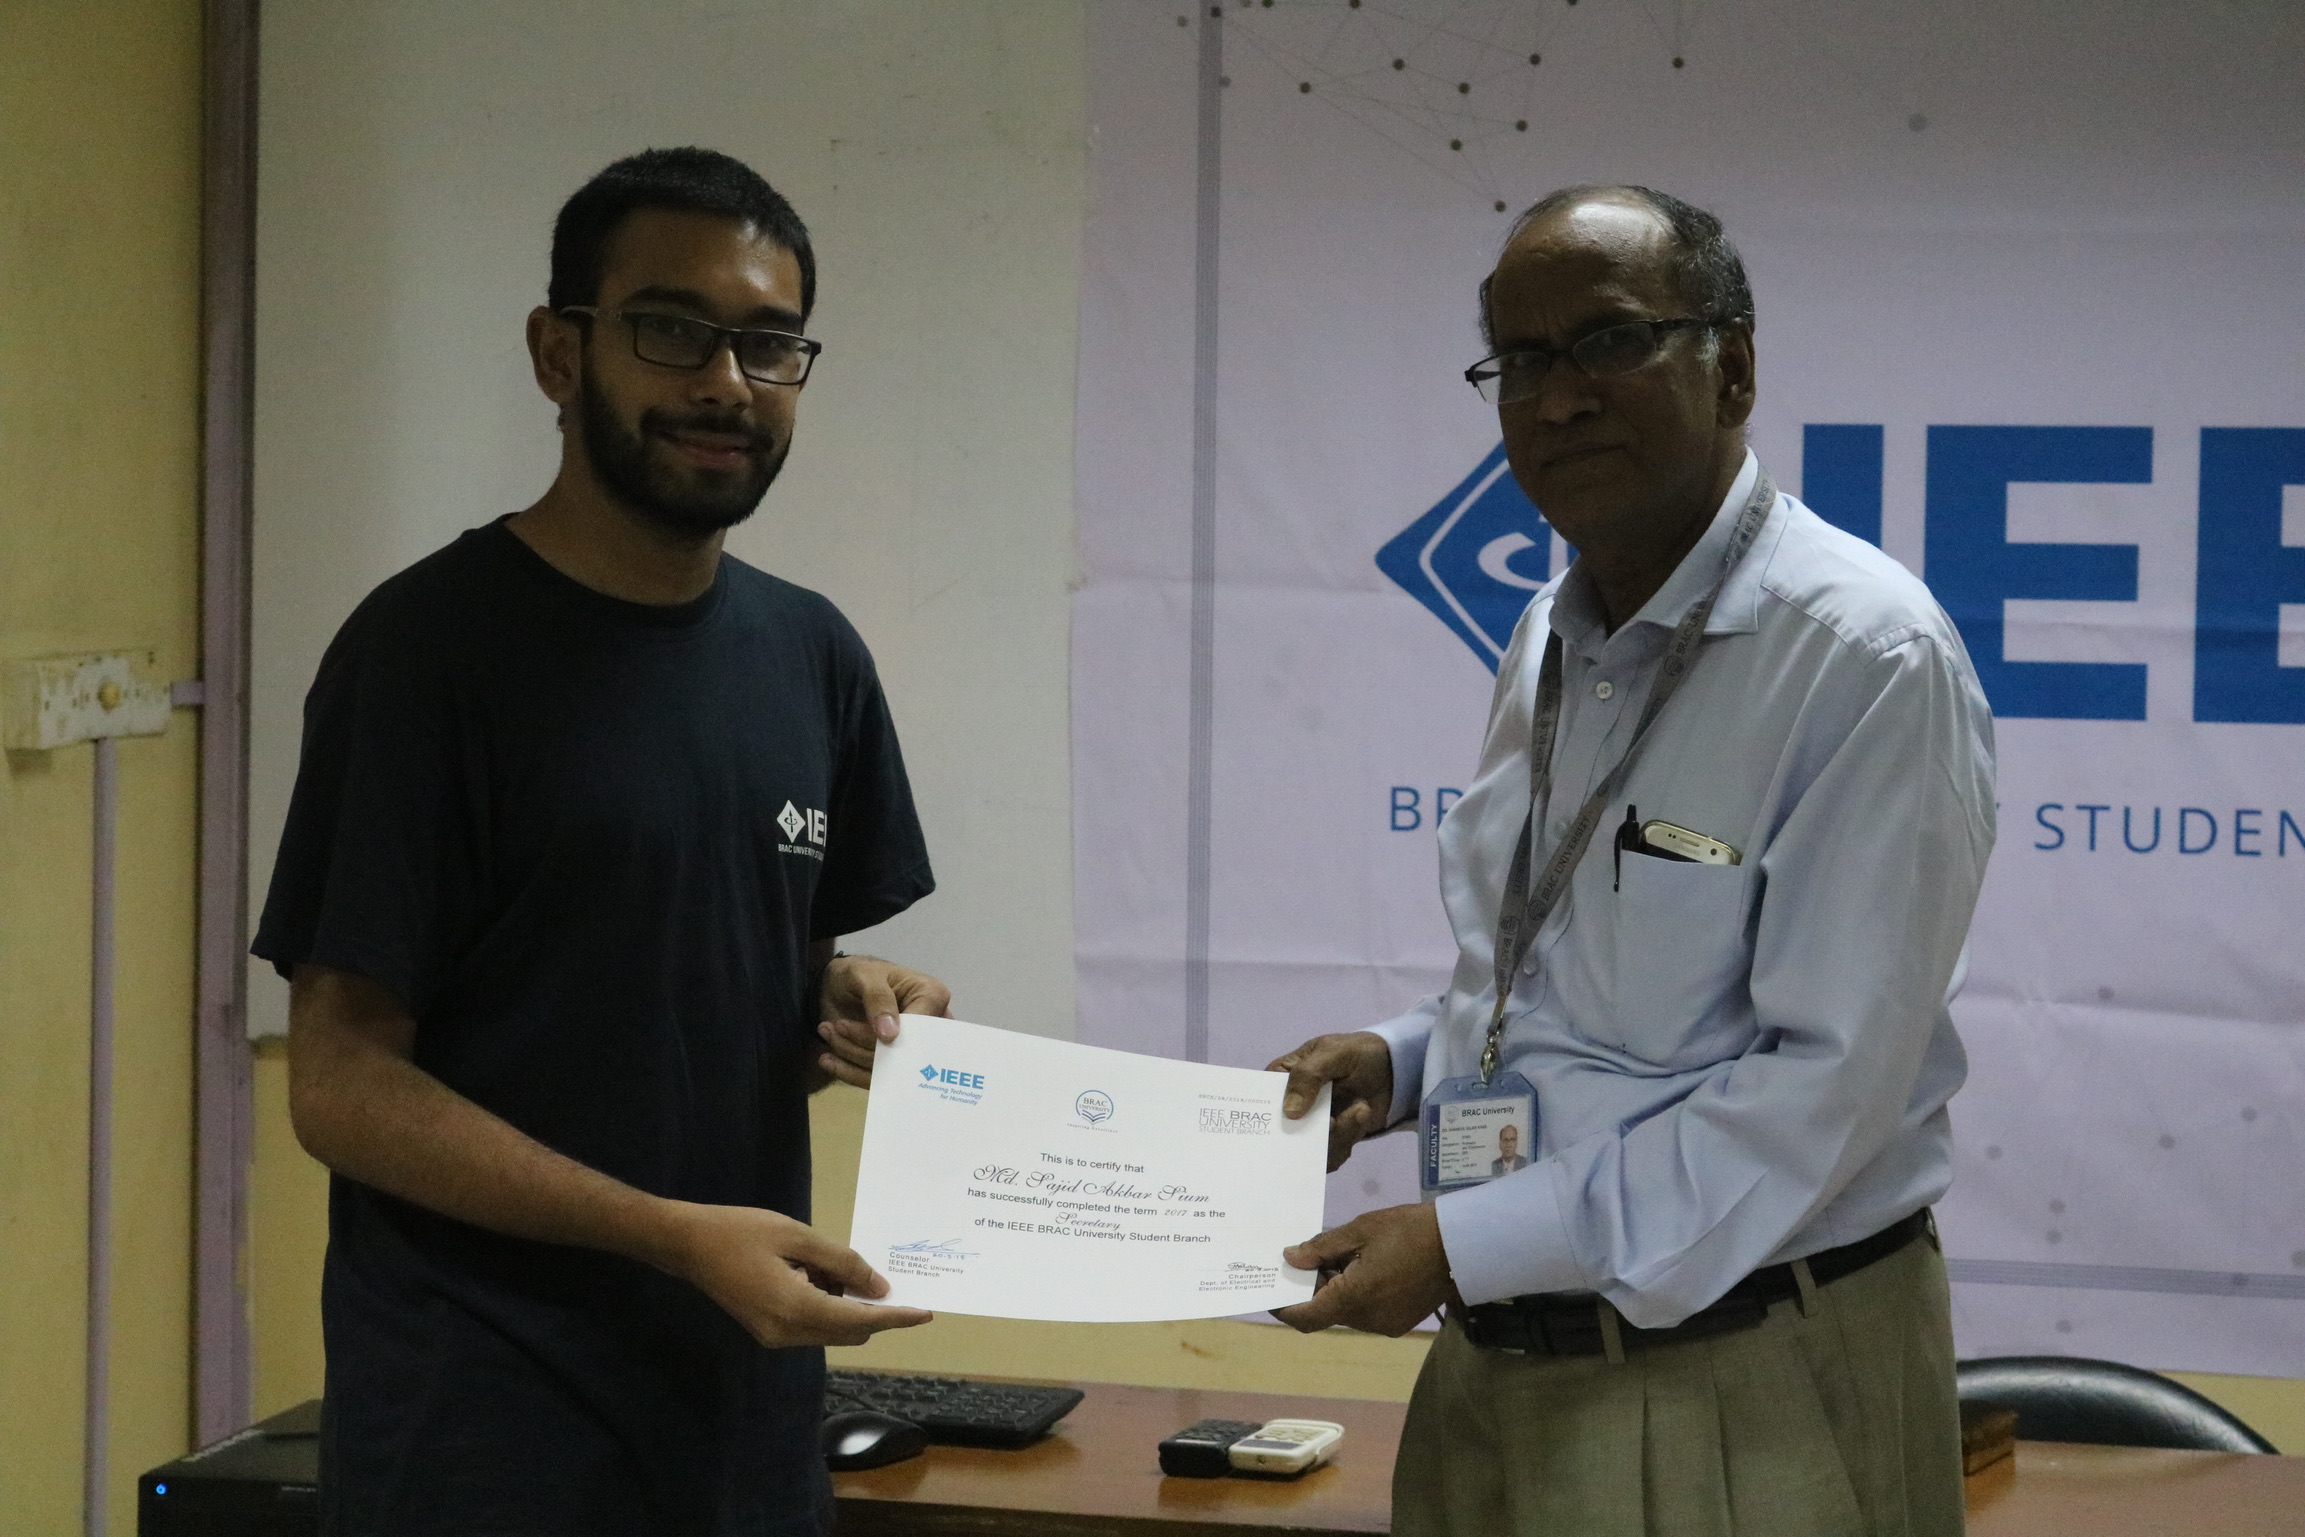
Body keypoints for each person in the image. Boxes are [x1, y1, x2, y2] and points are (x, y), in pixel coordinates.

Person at [1267, 185, 1995, 1537]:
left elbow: (1819, 1094)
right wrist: (1402, 1064)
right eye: (1521, 360)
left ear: (1735, 367)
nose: (1558, 400)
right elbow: (1558, 987)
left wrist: (1462, 1243)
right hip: (1496, 1370)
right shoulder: (1550, 631)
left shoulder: (1863, 656)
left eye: (1609, 341)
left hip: (1743, 1376)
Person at [255, 147, 943, 1537]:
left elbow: (721, 973)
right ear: (558, 353)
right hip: (487, 1440)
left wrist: (845, 999)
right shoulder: (426, 654)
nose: (727, 384)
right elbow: (340, 1082)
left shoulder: (812, 656)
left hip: (739, 1424)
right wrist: (669, 1235)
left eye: (769, 344)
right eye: (673, 329)